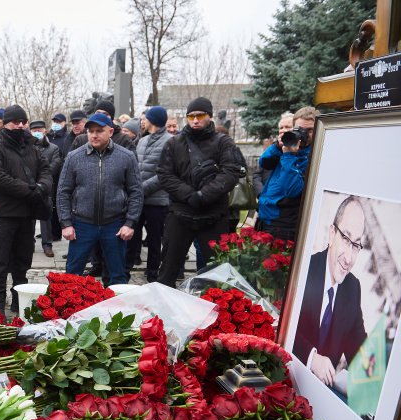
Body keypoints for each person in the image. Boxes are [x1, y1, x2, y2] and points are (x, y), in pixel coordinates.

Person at [156, 97, 240, 288]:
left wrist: (204, 195)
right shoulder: (174, 143)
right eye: (191, 116)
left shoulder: (224, 142)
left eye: (200, 116)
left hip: (213, 215)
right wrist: (189, 195)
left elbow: (230, 172)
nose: (195, 120)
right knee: (167, 271)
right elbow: (164, 174)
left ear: (209, 116)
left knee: (217, 276)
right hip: (180, 213)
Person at [57, 113, 142, 286]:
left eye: (99, 131)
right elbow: (63, 192)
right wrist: (66, 223)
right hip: (82, 224)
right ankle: (70, 303)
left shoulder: (126, 156)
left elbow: (136, 191)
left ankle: (115, 303)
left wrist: (130, 222)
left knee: (117, 276)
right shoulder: (74, 157)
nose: (94, 135)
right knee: (72, 275)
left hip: (114, 224)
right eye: (91, 131)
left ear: (110, 132)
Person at [293, 195, 368, 389]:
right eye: (346, 238)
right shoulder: (305, 269)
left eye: (356, 245)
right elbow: (284, 327)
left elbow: (360, 349)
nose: (349, 259)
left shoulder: (353, 288)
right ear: (332, 234)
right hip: (289, 379)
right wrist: (312, 358)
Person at [0, 105, 52, 313]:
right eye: (15, 122)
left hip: (27, 215)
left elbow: (46, 171)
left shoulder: (33, 148)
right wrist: (30, 190)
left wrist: (41, 187)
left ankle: (19, 303)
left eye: (23, 122)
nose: (20, 126)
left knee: (22, 264)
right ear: (6, 124)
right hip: (4, 214)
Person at [255, 108, 317, 241]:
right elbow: (264, 163)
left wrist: (289, 155)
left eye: (310, 130)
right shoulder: (288, 146)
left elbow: (291, 190)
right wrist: (277, 146)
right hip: (265, 218)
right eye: (300, 129)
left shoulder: (314, 155)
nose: (304, 134)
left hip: (284, 224)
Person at [130, 106, 171, 282]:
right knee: (132, 236)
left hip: (157, 200)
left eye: (145, 118)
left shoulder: (170, 141)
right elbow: (136, 167)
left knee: (154, 239)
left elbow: (165, 174)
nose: (142, 121)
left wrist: (141, 188)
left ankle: (153, 272)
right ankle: (126, 268)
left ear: (152, 121)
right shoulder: (142, 141)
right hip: (139, 199)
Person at [29, 119, 62, 258]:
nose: (37, 132)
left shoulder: (53, 148)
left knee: (46, 216)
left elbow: (55, 166)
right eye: (34, 130)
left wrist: (42, 178)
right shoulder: (26, 147)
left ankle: (47, 244)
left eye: (39, 130)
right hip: (29, 186)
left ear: (45, 131)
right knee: (29, 216)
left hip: (46, 186)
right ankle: (29, 243)